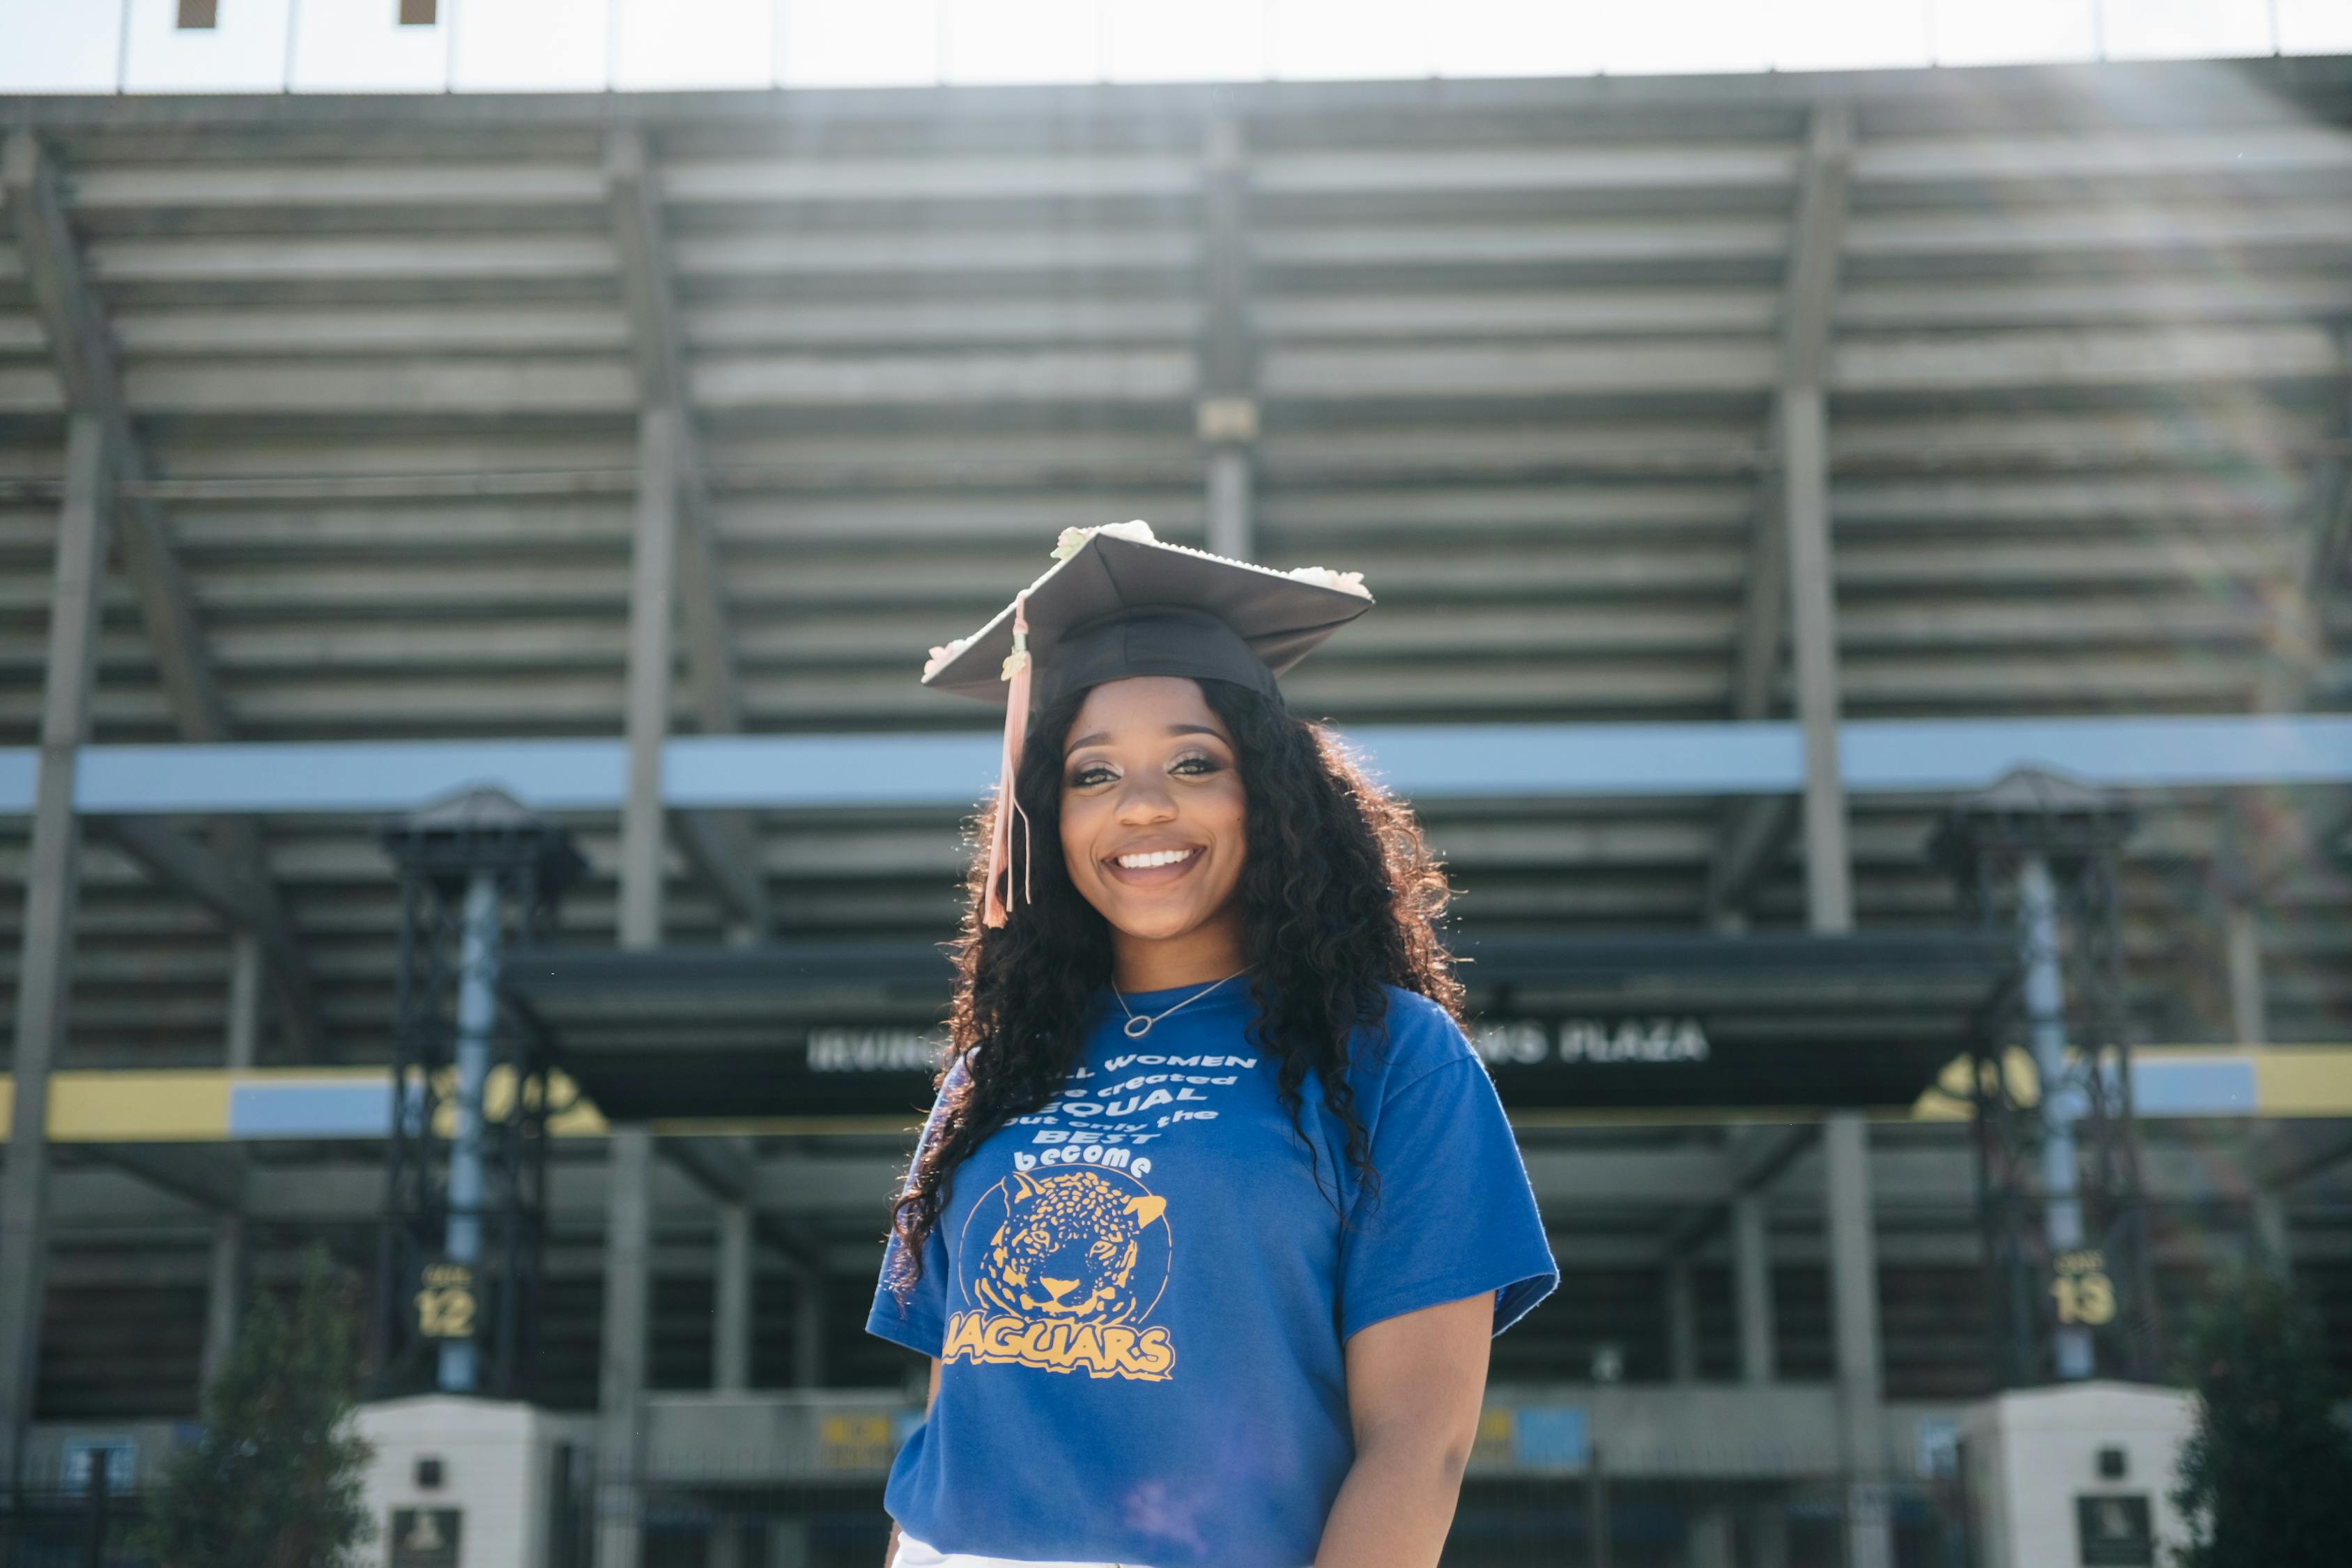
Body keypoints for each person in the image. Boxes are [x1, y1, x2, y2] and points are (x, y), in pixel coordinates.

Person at [866, 521, 1557, 1568]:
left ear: (1270, 793)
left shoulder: (1390, 1057)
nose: (1143, 805)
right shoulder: (994, 1073)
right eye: (1092, 775)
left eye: (1195, 761)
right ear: (1046, 816)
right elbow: (958, 1410)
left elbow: (1422, 1440)